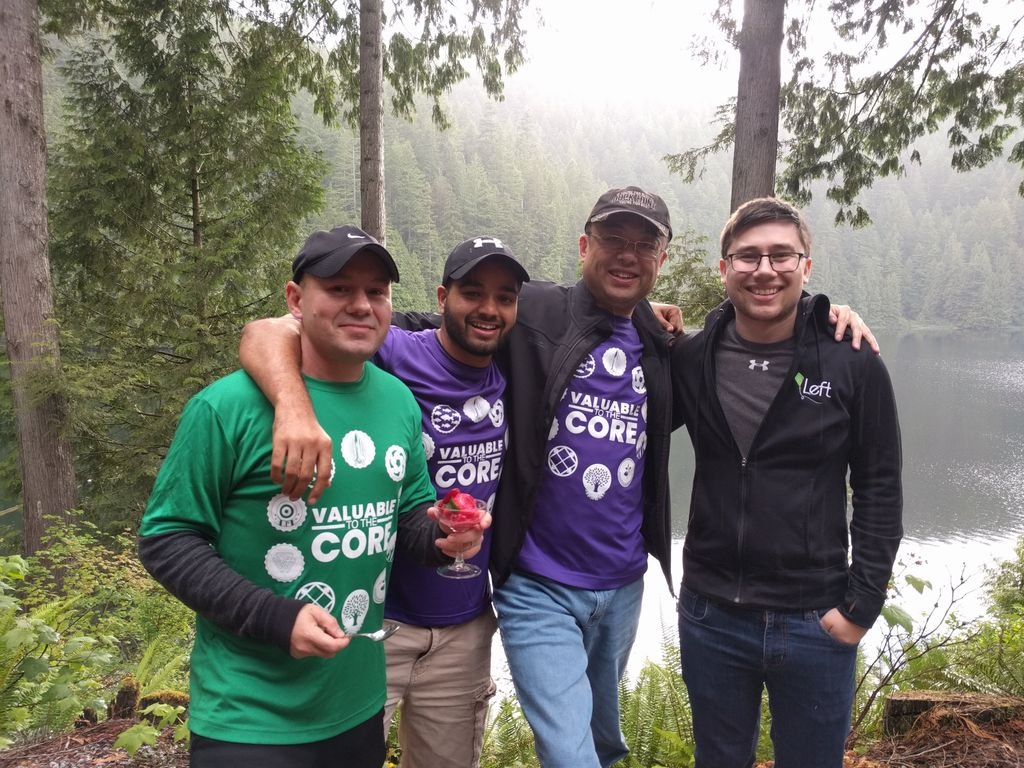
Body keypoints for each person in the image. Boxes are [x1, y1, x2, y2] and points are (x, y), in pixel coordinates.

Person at [239, 187, 874, 768]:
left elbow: (757, 338)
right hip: (536, 584)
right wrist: (294, 406)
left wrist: (823, 316)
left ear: (662, 257)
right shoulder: (529, 310)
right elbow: (287, 329)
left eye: (643, 244)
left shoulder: (665, 345)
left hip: (624, 587)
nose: (627, 256)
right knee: (572, 757)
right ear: (583, 247)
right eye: (613, 241)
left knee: (599, 743)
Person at [138, 225, 488, 768]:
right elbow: (167, 540)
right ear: (296, 300)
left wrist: (444, 535)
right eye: (340, 289)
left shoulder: (397, 401)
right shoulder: (224, 407)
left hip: (358, 703)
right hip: (249, 715)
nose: (361, 305)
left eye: (376, 291)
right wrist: (276, 618)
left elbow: (410, 517)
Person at [671, 197, 903, 768]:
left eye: (781, 254)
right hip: (711, 614)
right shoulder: (692, 356)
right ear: (724, 268)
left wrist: (860, 606)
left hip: (815, 617)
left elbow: (880, 486)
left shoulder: (851, 359)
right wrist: (642, 312)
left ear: (807, 264)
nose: (765, 269)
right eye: (747, 256)